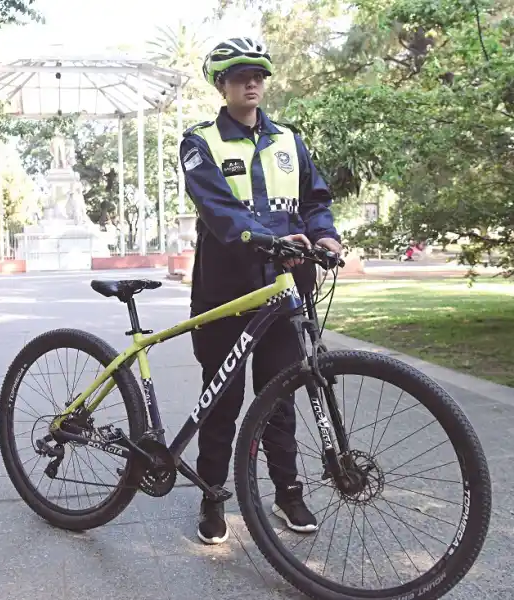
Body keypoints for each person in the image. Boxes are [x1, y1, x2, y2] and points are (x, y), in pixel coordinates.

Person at [180, 37, 343, 545]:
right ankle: (213, 495)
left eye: (258, 74)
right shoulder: (199, 140)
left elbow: (316, 200)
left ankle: (287, 491)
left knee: (281, 396)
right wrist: (270, 238)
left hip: (286, 288)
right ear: (222, 84)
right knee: (222, 397)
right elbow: (219, 212)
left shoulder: (290, 141)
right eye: (238, 75)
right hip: (225, 290)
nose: (251, 81)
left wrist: (325, 233)